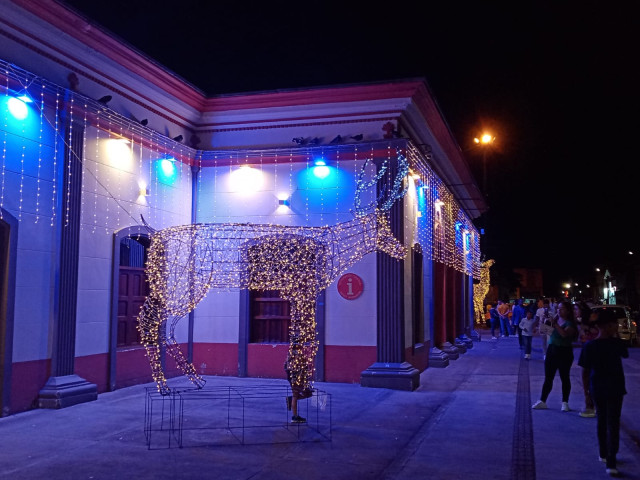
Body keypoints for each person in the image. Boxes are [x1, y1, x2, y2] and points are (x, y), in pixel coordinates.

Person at [578, 308, 629, 476]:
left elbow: (584, 371)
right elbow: (624, 354)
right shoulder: (616, 344)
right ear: (606, 326)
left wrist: (586, 391)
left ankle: (604, 453)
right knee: (612, 422)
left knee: (603, 421)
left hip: (598, 386)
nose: (616, 326)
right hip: (614, 386)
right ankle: (611, 458)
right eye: (614, 324)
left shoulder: (590, 345)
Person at [532, 300, 578, 412]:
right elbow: (543, 331)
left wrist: (555, 323)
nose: (559, 310)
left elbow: (564, 334)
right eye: (558, 308)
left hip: (564, 351)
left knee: (564, 377)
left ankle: (565, 402)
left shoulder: (570, 323)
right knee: (548, 377)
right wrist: (543, 321)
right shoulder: (555, 320)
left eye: (561, 309)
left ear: (567, 311)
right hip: (552, 350)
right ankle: (543, 400)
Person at [575, 301, 599, 418]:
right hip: (586, 348)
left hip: (594, 350)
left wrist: (587, 327)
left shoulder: (592, 319)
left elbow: (597, 332)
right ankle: (589, 403)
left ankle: (591, 406)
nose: (575, 312)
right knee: (585, 376)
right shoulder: (580, 321)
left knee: (589, 377)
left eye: (576, 309)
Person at [284, 339, 307, 423]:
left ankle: (292, 402)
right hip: (296, 378)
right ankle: (295, 416)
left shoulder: (292, 354)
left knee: (306, 393)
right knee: (296, 395)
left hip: (296, 378)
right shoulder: (294, 355)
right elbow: (290, 367)